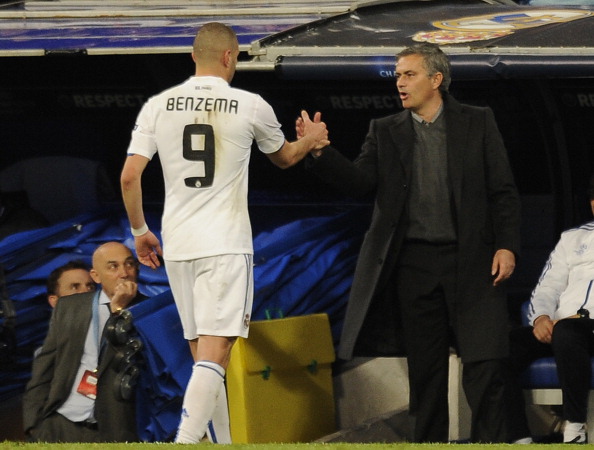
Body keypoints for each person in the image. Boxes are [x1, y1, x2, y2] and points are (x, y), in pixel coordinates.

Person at [119, 22, 329, 444]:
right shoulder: (250, 105)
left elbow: (129, 177)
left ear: (193, 56)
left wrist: (141, 231)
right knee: (215, 356)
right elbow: (285, 158)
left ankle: (222, 443)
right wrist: (312, 140)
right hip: (225, 243)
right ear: (230, 57)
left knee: (203, 359)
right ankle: (186, 441)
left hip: (178, 245)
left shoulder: (158, 106)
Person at [300, 42, 521, 443]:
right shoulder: (385, 131)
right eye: (398, 75)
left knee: (485, 363)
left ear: (436, 79)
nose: (399, 83)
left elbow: (502, 191)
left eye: (408, 74)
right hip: (414, 266)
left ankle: (494, 442)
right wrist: (321, 150)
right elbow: (359, 182)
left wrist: (507, 246)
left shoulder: (478, 121)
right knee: (426, 371)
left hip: (473, 262)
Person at [23, 241, 146, 442]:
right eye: (113, 266)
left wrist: (118, 312)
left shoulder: (149, 311)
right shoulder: (70, 307)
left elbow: (129, 363)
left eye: (129, 264)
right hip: (60, 424)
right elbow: (44, 368)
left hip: (115, 432)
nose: (124, 273)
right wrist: (34, 426)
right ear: (96, 276)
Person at [506, 172, 594, 444]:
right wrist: (541, 319)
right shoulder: (572, 239)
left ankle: (575, 427)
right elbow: (547, 287)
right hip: (561, 328)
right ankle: (519, 438)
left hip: (581, 327)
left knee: (568, 330)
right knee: (501, 347)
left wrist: (572, 320)